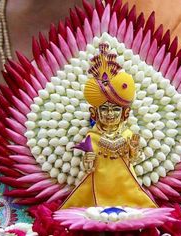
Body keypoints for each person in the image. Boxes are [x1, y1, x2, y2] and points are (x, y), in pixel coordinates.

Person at [61, 43, 156, 209]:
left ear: (125, 113)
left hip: (126, 186)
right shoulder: (92, 137)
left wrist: (133, 149)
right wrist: (87, 161)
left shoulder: (127, 135)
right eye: (104, 109)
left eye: (115, 110)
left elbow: (133, 160)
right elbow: (88, 168)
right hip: (98, 187)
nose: (110, 114)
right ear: (94, 113)